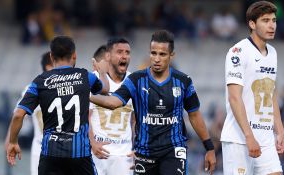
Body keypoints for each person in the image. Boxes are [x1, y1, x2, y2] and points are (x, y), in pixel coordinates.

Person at [90, 30, 216, 175]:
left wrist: (209, 147)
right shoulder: (136, 80)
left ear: (171, 55)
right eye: (153, 53)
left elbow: (194, 115)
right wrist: (86, 96)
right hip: (145, 152)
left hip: (174, 149)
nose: (156, 59)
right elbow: (113, 102)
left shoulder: (183, 81)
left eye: (162, 54)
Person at [6, 36, 109, 175]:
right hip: (79, 155)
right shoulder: (85, 76)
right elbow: (105, 89)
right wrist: (102, 71)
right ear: (74, 55)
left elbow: (18, 115)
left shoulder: (39, 81)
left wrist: (13, 142)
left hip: (50, 155)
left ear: (51, 55)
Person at [220, 1, 284, 174]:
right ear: (252, 24)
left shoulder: (273, 53)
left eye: (273, 20)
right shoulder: (238, 52)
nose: (272, 25)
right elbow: (234, 97)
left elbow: (270, 92)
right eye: (265, 20)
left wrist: (279, 128)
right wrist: (249, 136)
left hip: (265, 137)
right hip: (239, 138)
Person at [89, 38, 135, 175]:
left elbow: (135, 120)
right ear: (108, 56)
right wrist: (92, 143)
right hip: (97, 152)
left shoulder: (134, 81)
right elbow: (84, 116)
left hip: (124, 154)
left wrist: (137, 147)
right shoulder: (94, 78)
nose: (124, 56)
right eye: (119, 52)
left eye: (127, 52)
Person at [5, 52, 53, 175]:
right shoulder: (32, 89)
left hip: (64, 147)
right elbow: (18, 115)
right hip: (41, 147)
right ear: (49, 66)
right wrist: (10, 140)